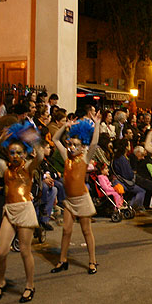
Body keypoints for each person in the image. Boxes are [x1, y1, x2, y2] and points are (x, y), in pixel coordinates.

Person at [0, 122, 44, 303]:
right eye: (12, 152)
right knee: (1, 252)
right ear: (8, 154)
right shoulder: (4, 168)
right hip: (9, 211)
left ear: (24, 154)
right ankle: (1, 282)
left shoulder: (28, 168)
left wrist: (32, 140)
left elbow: (40, 156)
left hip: (25, 210)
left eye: (19, 152)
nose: (15, 156)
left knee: (25, 250)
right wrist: (0, 139)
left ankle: (29, 285)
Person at [51, 114, 102, 275]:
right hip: (69, 200)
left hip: (82, 199)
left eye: (75, 145)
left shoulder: (85, 158)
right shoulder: (67, 157)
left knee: (87, 231)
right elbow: (55, 139)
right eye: (70, 144)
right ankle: (62, 260)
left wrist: (97, 124)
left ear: (82, 146)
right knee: (66, 230)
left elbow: (94, 143)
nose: (71, 147)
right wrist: (65, 126)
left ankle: (92, 261)